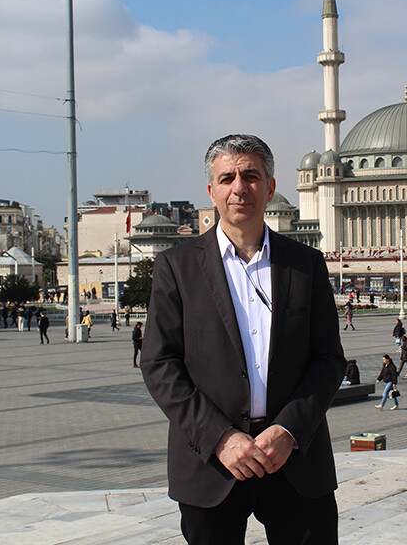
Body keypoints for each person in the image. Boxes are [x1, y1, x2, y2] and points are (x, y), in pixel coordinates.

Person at [140, 134, 346, 544]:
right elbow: (160, 364)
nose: (240, 188)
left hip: (294, 461)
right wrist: (220, 437)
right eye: (228, 177)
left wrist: (287, 430)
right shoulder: (177, 268)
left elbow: (328, 359)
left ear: (270, 188)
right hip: (212, 464)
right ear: (211, 191)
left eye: (251, 176)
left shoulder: (304, 264)